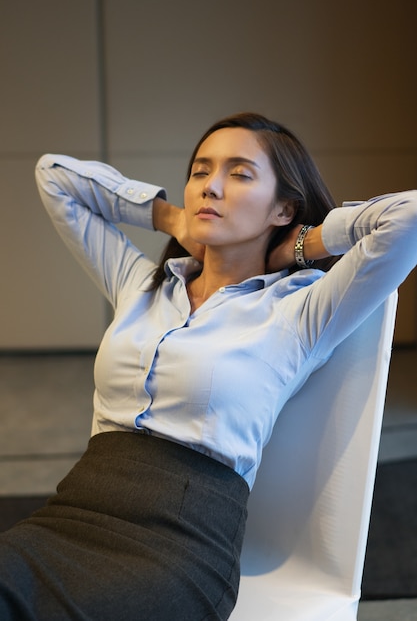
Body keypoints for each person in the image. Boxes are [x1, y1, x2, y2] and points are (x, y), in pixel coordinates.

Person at [0, 112, 416, 620]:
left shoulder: (299, 311)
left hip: (179, 549)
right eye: (200, 171)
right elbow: (54, 177)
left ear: (282, 208)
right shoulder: (142, 286)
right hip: (70, 517)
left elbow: (408, 218)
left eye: (239, 174)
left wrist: (303, 245)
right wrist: (171, 218)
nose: (210, 187)